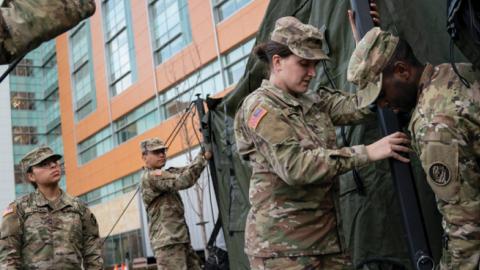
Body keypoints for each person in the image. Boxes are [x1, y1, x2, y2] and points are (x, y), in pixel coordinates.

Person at [234, 16, 411, 270]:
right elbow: (296, 168)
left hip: (328, 243)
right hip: (283, 252)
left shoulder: (313, 102)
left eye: (315, 64)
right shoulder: (261, 107)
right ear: (277, 62)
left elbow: (362, 105)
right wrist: (367, 152)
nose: (312, 72)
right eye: (304, 64)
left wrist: (366, 46)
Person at [347, 27, 480, 270]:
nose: (384, 104)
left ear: (402, 71)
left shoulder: (432, 128)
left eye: (382, 95)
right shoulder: (452, 71)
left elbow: (466, 226)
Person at [0, 146, 103, 269]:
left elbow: (93, 256)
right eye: (44, 164)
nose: (53, 166)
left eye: (54, 162)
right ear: (31, 176)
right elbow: (8, 259)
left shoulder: (79, 208)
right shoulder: (19, 210)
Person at [140, 137, 212, 270]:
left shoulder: (165, 173)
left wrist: (202, 153)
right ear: (144, 157)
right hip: (168, 244)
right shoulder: (152, 177)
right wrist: (203, 158)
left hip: (179, 239)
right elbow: (184, 180)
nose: (161, 154)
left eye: (163, 151)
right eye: (156, 152)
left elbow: (187, 170)